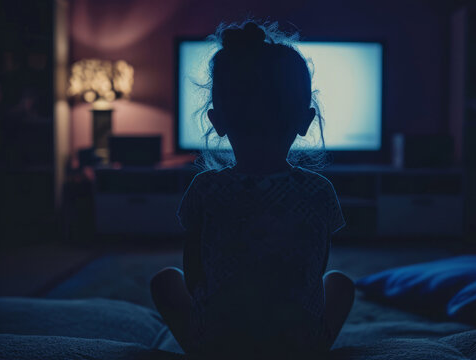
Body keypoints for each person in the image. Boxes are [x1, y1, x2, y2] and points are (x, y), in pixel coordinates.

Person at [150, 20, 355, 360]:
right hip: (296, 345)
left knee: (163, 280)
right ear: (305, 121)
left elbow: (192, 277)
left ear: (216, 122)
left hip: (219, 345)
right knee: (341, 283)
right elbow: (316, 270)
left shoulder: (205, 188)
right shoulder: (320, 190)